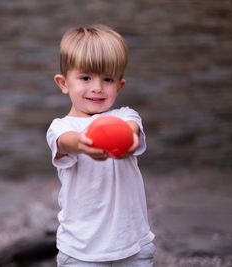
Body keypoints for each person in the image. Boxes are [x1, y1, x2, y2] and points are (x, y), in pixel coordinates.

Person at [46, 24, 155, 266]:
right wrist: (83, 145)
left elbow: (131, 132)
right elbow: (65, 143)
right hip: (81, 249)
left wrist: (128, 140)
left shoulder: (126, 116)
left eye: (107, 79)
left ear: (119, 85)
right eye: (85, 77)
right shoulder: (62, 127)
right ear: (63, 83)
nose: (97, 87)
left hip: (132, 243)